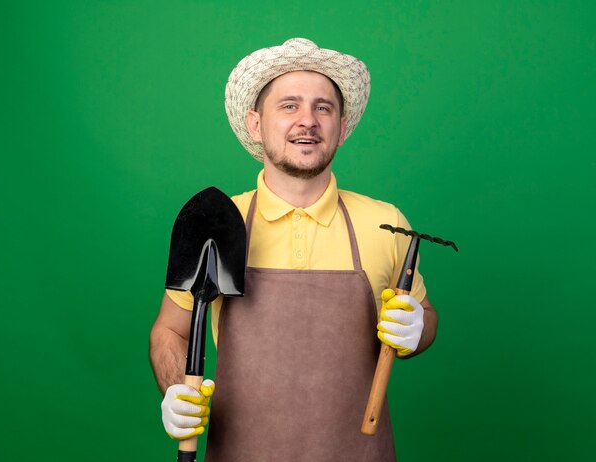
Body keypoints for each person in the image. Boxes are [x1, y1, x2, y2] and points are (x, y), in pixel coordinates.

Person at [149, 38, 437, 461]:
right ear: (254, 124)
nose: (308, 121)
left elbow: (425, 318)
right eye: (289, 106)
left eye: (323, 108)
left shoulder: (383, 224)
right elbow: (170, 330)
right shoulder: (218, 221)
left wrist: (417, 330)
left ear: (341, 128)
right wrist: (177, 389)